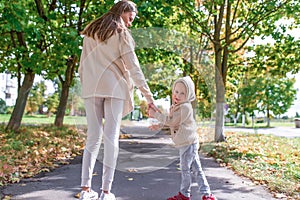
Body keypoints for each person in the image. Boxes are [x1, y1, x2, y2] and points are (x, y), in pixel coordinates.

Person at [78, 1, 158, 200]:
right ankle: (106, 192)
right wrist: (149, 97)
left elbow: (82, 65)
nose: (130, 23)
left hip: (91, 88)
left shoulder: (90, 31)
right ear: (123, 12)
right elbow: (134, 68)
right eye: (130, 18)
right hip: (114, 89)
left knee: (93, 137)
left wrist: (87, 84)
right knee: (111, 138)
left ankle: (85, 190)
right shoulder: (121, 33)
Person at [148, 76, 216, 200]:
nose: (177, 95)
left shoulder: (185, 107)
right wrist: (158, 125)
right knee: (197, 169)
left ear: (188, 95)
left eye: (182, 93)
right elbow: (174, 123)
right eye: (176, 91)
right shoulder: (178, 106)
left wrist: (155, 115)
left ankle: (185, 194)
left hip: (188, 143)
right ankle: (207, 195)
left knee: (186, 170)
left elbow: (172, 122)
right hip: (189, 142)